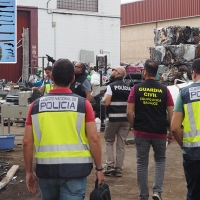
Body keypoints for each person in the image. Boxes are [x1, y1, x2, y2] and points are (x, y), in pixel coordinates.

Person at [23, 59, 104, 200]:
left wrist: (29, 171)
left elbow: (27, 142)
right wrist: (99, 168)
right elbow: (94, 139)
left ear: (51, 77)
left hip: (46, 170)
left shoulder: (35, 106)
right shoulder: (83, 104)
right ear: (73, 79)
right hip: (76, 170)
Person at [126, 59, 174, 200]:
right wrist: (171, 132)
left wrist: (134, 125)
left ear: (145, 72)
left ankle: (143, 195)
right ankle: (157, 191)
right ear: (157, 72)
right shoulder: (165, 90)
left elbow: (129, 112)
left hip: (141, 131)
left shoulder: (136, 88)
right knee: (160, 160)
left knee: (142, 163)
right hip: (159, 132)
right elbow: (172, 113)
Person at [171, 58, 200, 200]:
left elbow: (175, 128)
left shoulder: (184, 93)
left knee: (194, 193)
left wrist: (185, 146)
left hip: (193, 154)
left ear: (193, 74)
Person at [103, 66, 131, 177]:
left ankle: (110, 166)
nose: (111, 72)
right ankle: (119, 169)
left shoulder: (111, 86)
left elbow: (106, 102)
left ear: (118, 73)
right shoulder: (129, 87)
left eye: (113, 70)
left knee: (109, 141)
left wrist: (103, 98)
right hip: (125, 120)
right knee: (121, 144)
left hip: (113, 118)